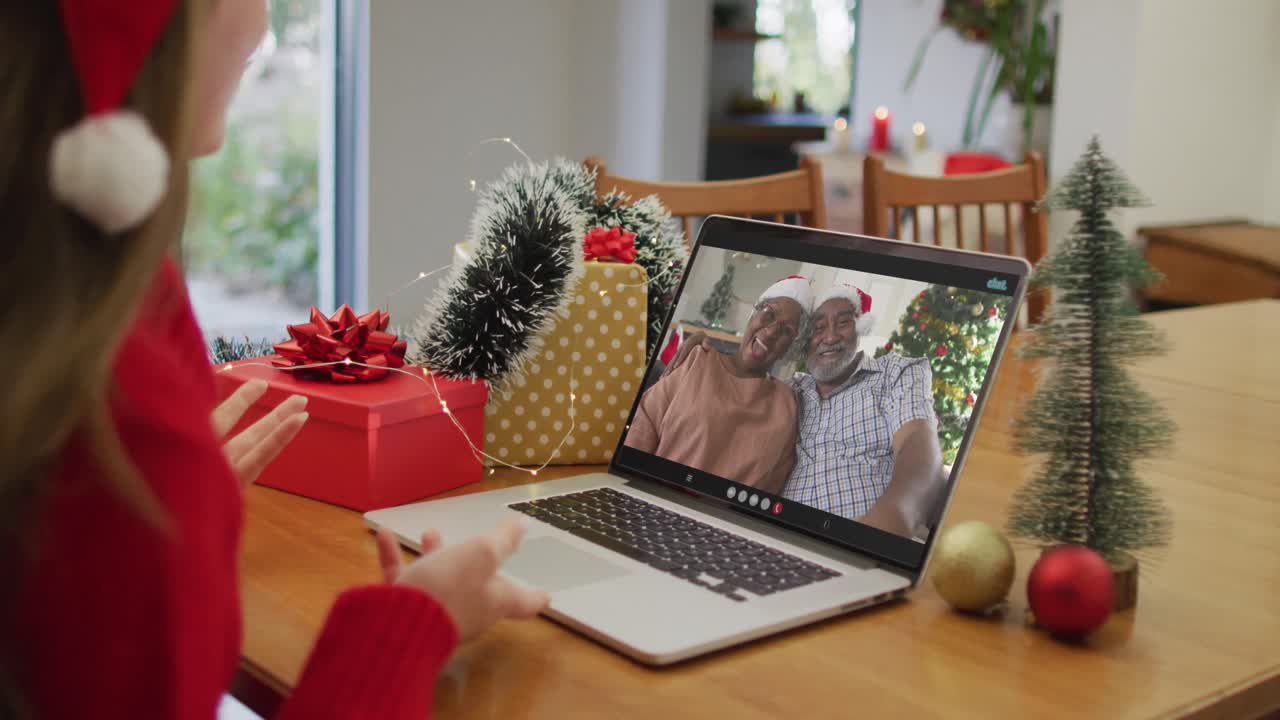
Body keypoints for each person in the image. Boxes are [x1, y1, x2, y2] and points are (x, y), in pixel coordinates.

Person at [1, 3, 546, 719]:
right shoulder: (120, 420)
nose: (264, 25)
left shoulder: (84, 328)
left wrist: (186, 513)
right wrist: (415, 621)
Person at [669, 284, 943, 536]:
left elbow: (918, 442)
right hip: (772, 537)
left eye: (843, 323)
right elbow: (730, 403)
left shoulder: (894, 373)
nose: (830, 337)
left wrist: (895, 516)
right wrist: (708, 356)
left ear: (860, 328)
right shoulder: (790, 391)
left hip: (860, 540)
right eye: (817, 328)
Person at [623, 276, 811, 493]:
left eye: (787, 331)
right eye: (768, 314)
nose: (770, 332)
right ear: (753, 314)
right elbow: (638, 438)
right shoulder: (697, 360)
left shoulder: (787, 406)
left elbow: (771, 489)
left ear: (790, 347)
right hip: (650, 496)